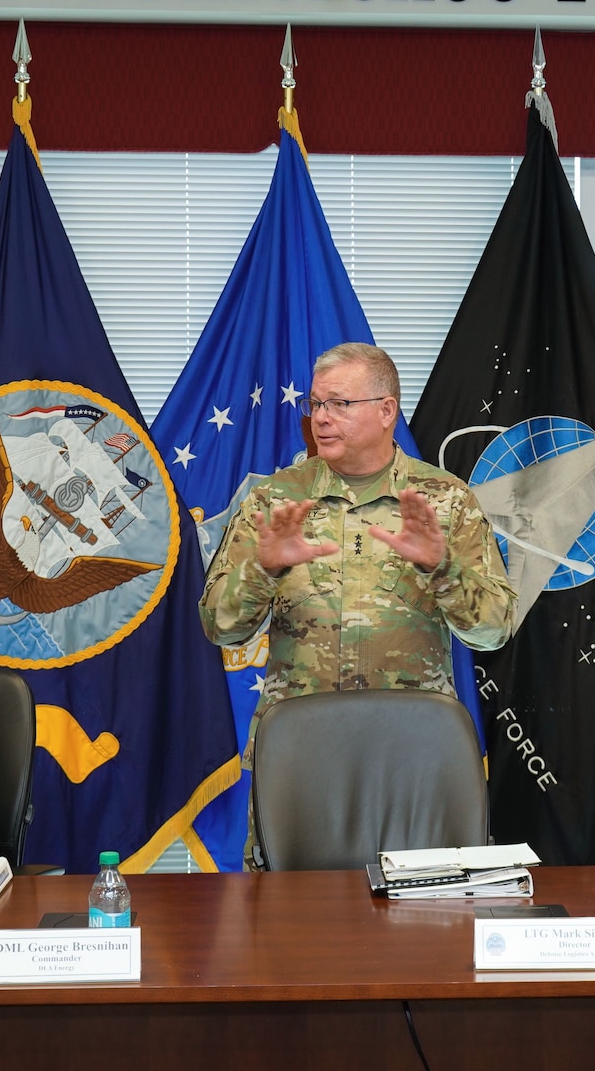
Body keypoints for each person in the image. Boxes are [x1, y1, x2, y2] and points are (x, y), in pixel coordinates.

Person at [200, 342, 514, 867]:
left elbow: (494, 630)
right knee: (290, 929)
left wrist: (443, 569)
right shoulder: (275, 501)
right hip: (301, 757)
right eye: (315, 404)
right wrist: (263, 569)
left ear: (386, 410)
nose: (320, 419)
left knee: (423, 925)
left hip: (414, 759)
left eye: (338, 404)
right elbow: (220, 628)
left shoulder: (445, 500)